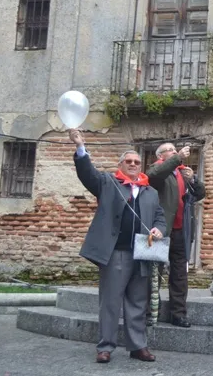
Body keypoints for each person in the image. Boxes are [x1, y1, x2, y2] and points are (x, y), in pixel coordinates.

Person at [69, 129, 165, 364]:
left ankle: (138, 346)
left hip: (142, 253)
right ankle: (105, 347)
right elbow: (87, 174)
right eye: (128, 161)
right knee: (110, 301)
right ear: (120, 164)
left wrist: (159, 229)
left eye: (136, 162)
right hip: (116, 253)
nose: (133, 164)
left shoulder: (151, 192)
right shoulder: (108, 182)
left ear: (141, 166)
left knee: (138, 302)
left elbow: (160, 217)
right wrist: (80, 147)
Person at [146, 142, 206, 328]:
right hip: (161, 230)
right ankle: (149, 312)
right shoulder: (156, 169)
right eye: (170, 150)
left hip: (181, 230)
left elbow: (199, 194)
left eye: (175, 150)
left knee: (180, 274)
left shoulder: (181, 172)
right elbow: (154, 176)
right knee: (154, 272)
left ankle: (178, 314)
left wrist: (193, 179)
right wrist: (178, 157)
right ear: (161, 156)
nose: (174, 152)